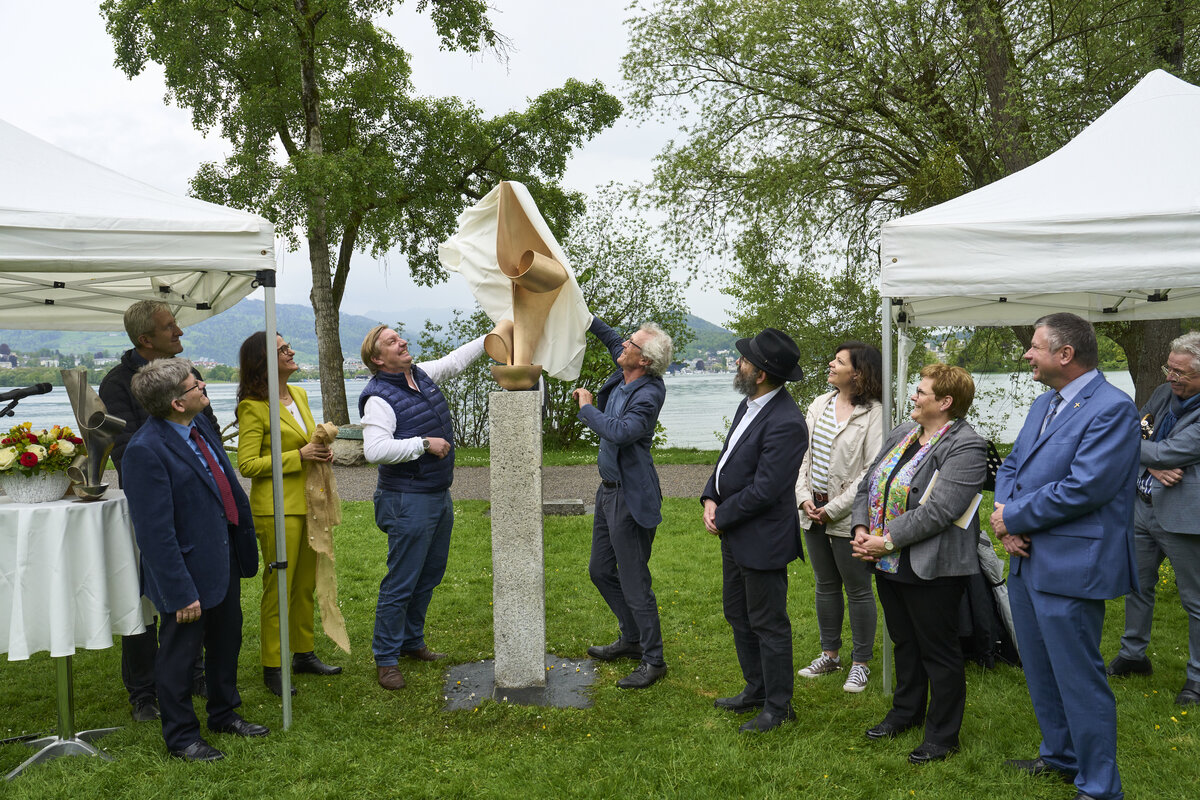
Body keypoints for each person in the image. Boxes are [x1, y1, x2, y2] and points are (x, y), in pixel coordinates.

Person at [992, 312, 1139, 800]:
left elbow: (1085, 487)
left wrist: (1013, 519)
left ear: (1065, 354)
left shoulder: (1113, 409)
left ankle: (1099, 786)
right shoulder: (1043, 404)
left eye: (1034, 346)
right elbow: (1012, 462)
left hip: (1072, 564)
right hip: (1026, 557)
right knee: (1040, 667)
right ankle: (1060, 755)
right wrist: (1005, 515)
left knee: (1078, 676)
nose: (1027, 354)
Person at [122, 358, 265, 762]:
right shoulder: (145, 452)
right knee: (180, 656)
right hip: (185, 572)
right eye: (194, 385)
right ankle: (182, 737)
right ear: (176, 403)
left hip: (223, 557)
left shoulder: (198, 425)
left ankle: (224, 714)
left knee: (225, 641)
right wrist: (180, 591)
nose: (203, 386)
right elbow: (154, 533)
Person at [850, 364, 986, 764]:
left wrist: (884, 541)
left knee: (938, 650)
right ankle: (905, 713)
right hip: (887, 561)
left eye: (921, 392)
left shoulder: (967, 446)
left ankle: (943, 736)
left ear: (945, 402)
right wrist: (861, 527)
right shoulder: (902, 433)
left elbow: (941, 510)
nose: (913, 396)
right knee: (904, 641)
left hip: (933, 565)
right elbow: (867, 484)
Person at [99, 299, 214, 721]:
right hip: (151, 502)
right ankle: (144, 692)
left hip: (196, 500)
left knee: (194, 588)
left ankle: (193, 672)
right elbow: (124, 448)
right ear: (145, 339)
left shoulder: (189, 374)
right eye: (170, 328)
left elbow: (209, 432)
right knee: (147, 596)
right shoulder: (116, 383)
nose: (180, 332)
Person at [359, 324, 485, 690]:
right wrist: (423, 444)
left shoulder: (420, 374)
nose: (402, 342)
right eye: (392, 341)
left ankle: (411, 642)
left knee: (429, 574)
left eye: (401, 336)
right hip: (406, 499)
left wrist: (492, 336)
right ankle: (386, 658)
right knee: (401, 580)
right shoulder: (379, 397)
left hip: (435, 494)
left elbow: (455, 361)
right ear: (378, 359)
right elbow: (374, 450)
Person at [702, 328, 808, 733]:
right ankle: (757, 688)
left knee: (768, 622)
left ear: (760, 373)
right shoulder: (750, 405)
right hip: (736, 532)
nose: (738, 363)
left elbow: (766, 490)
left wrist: (722, 515)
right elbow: (726, 460)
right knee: (738, 614)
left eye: (744, 360)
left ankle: (779, 708)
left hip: (762, 538)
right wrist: (711, 496)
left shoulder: (787, 422)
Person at [236, 332, 340, 697]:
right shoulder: (252, 406)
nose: (291, 351)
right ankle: (273, 666)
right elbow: (247, 464)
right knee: (279, 587)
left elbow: (307, 442)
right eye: (282, 349)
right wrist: (300, 457)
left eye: (288, 346)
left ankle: (303, 653)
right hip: (276, 510)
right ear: (263, 361)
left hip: (309, 503)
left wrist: (320, 451)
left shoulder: (298, 394)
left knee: (304, 585)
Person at [572, 317, 672, 689]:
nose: (624, 346)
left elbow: (621, 431)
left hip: (632, 496)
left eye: (632, 344)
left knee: (634, 581)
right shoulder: (628, 364)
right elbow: (612, 337)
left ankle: (653, 659)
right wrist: (585, 316)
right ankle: (631, 638)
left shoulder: (648, 394)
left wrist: (587, 407)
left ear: (644, 360)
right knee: (600, 570)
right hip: (608, 490)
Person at [1107, 331, 1200, 707]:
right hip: (1142, 506)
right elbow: (1130, 430)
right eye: (1169, 368)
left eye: (1181, 373)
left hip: (1184, 518)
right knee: (1137, 585)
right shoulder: (1165, 394)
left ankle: (1197, 678)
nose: (1171, 378)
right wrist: (1154, 463)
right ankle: (1133, 655)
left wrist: (1155, 457)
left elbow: (1170, 451)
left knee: (1195, 600)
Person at [795, 341, 883, 693]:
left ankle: (860, 663)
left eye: (839, 361)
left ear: (857, 373)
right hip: (811, 512)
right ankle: (830, 655)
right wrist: (803, 499)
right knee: (825, 585)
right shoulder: (820, 403)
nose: (830, 364)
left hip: (846, 516)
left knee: (858, 589)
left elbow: (871, 469)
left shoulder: (874, 412)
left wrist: (832, 509)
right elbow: (802, 456)